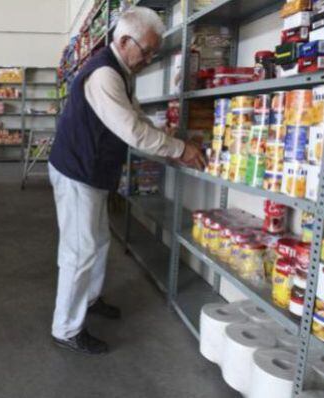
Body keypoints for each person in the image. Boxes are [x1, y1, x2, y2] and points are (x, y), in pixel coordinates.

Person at [47, 6, 206, 355]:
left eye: (153, 53)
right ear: (123, 41)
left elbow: (134, 116)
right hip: (77, 172)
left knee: (98, 241)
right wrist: (179, 149)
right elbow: (132, 131)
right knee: (79, 251)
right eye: (146, 51)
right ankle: (66, 328)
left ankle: (89, 300)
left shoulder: (119, 70)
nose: (148, 59)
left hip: (92, 171)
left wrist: (165, 136)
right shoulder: (104, 74)